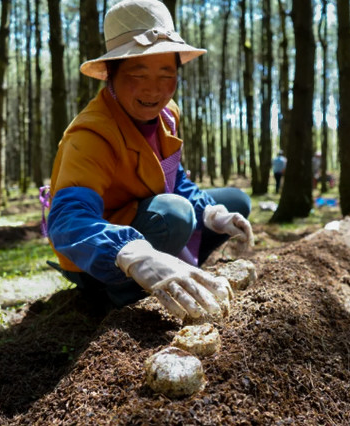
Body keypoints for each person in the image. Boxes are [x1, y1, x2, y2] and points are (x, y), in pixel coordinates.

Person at [46, 0, 254, 321]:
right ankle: (116, 295)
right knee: (175, 214)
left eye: (166, 74)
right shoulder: (90, 135)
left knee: (236, 202)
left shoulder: (166, 116)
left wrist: (213, 214)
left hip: (150, 213)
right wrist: (134, 255)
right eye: (137, 73)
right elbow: (67, 221)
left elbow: (172, 178)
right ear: (110, 75)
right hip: (99, 250)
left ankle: (175, 259)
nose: (153, 89)